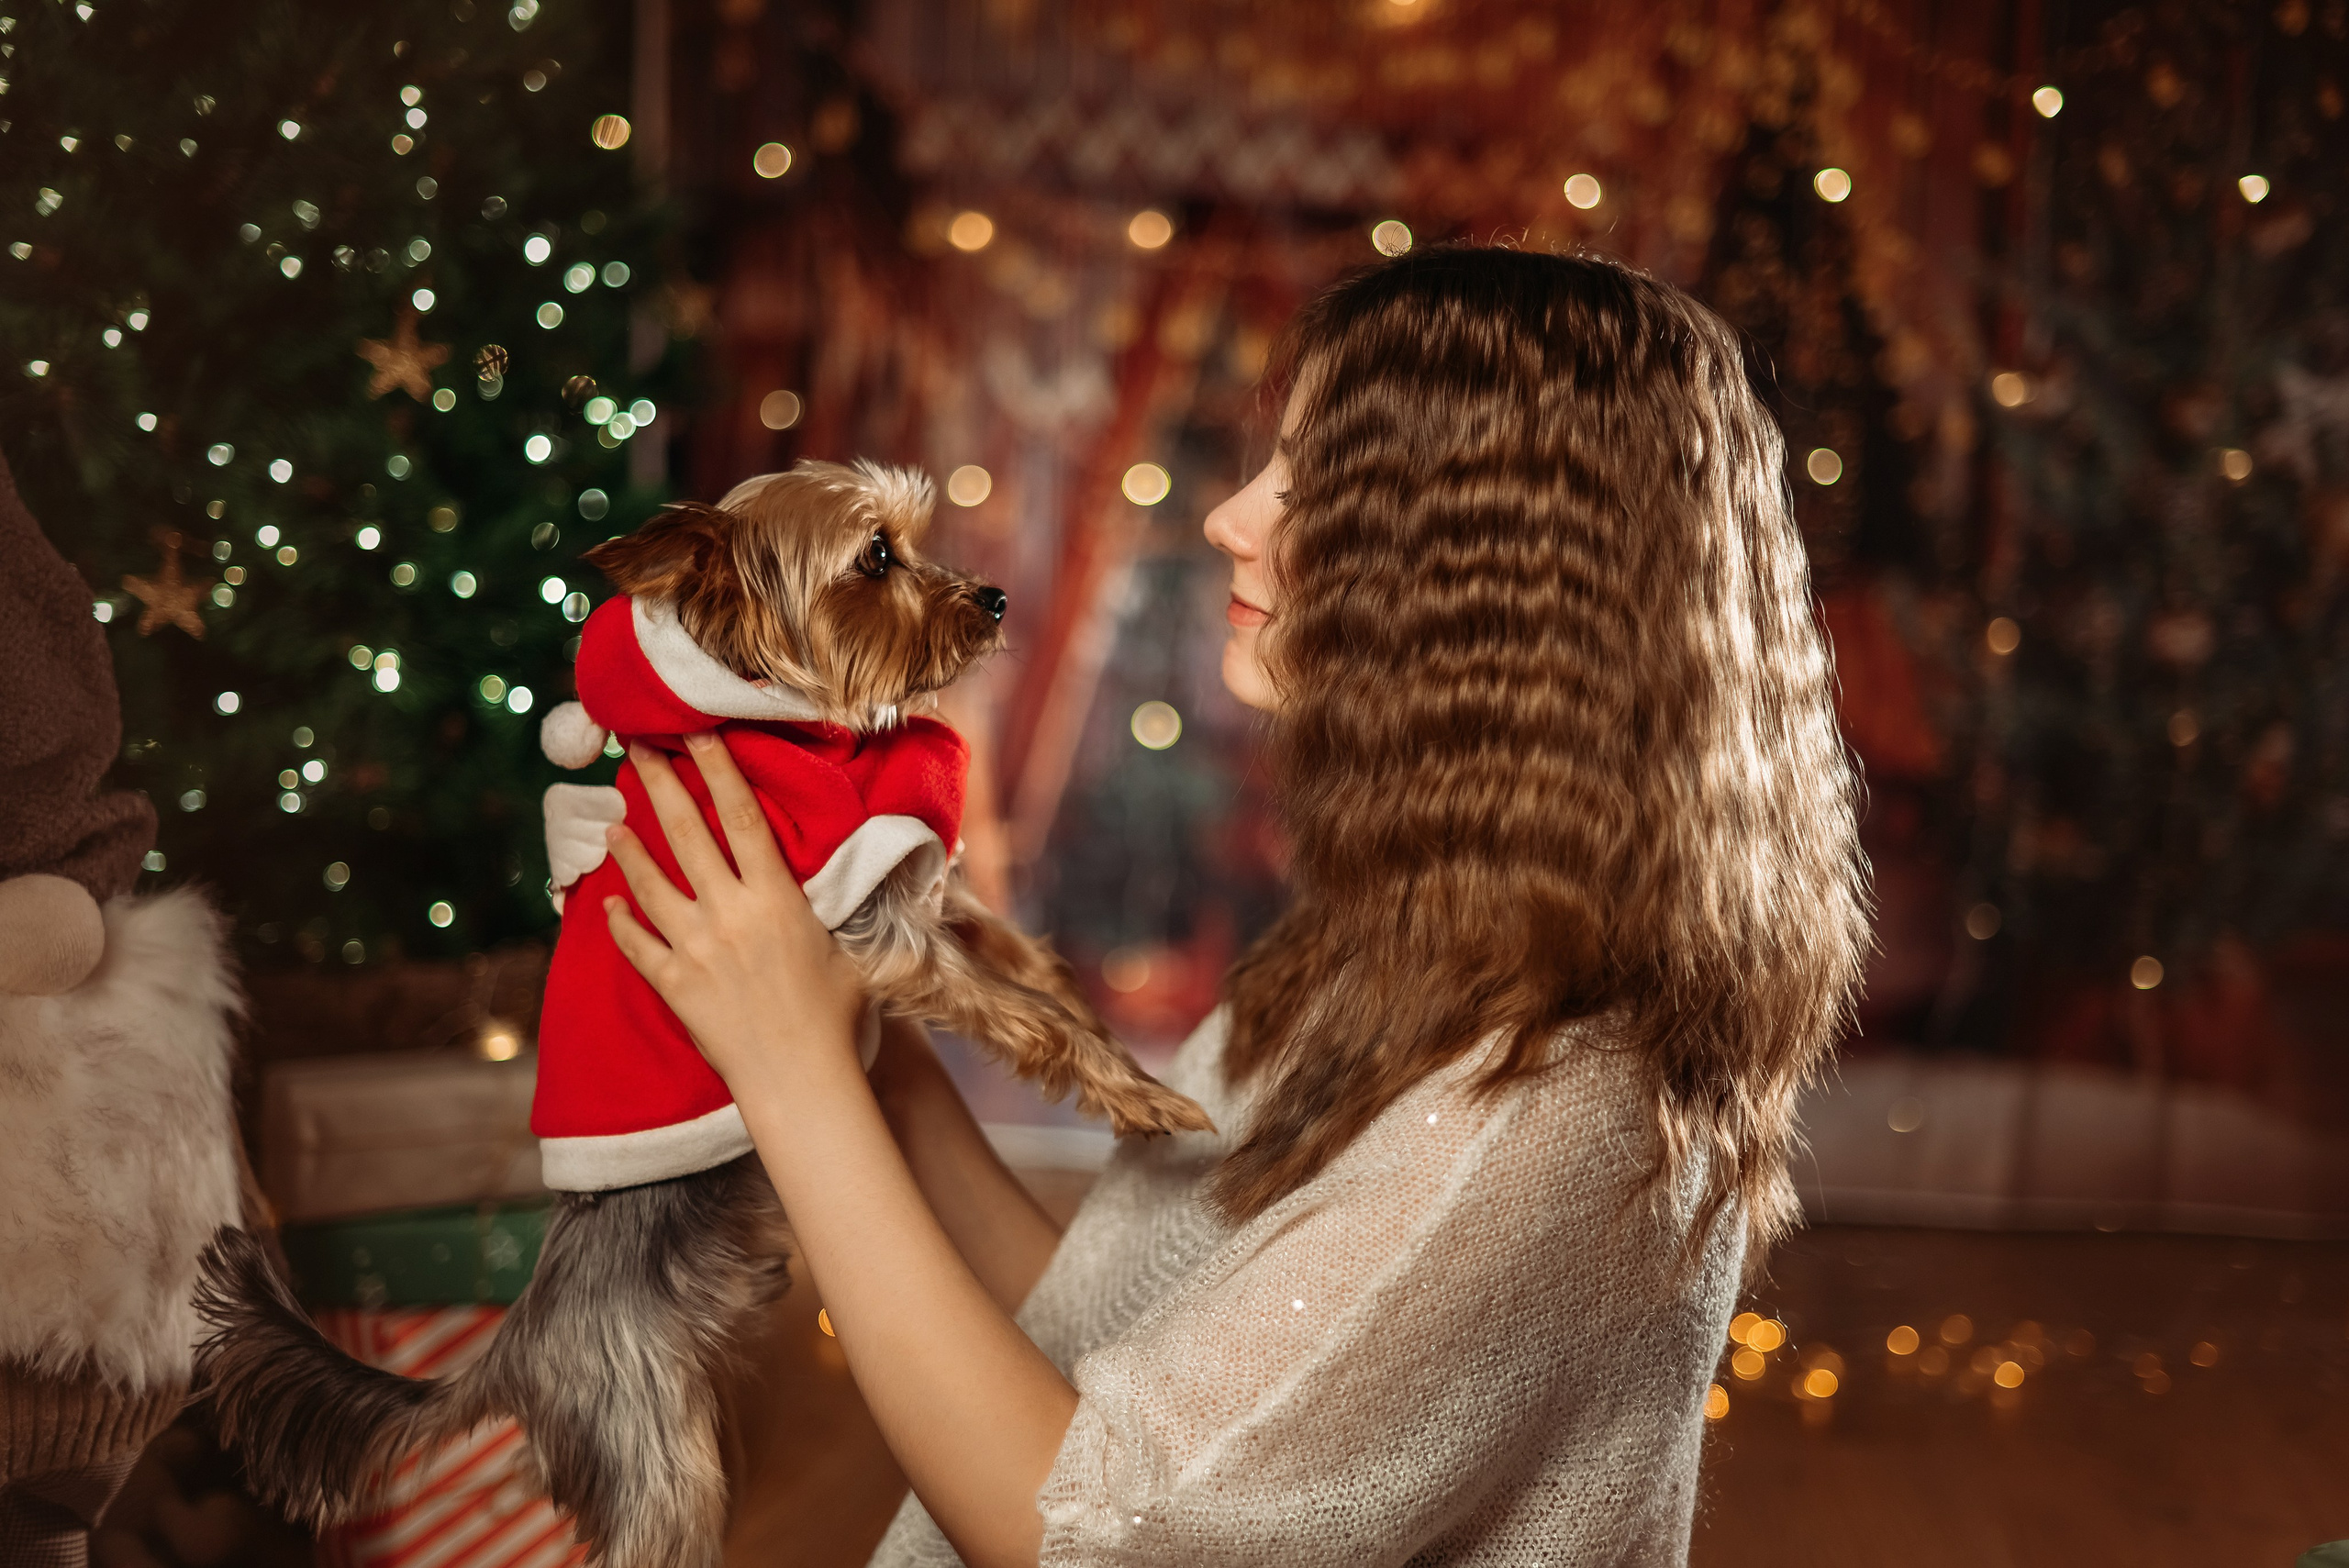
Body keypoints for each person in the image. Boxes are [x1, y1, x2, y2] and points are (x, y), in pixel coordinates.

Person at [594, 246, 1868, 1567]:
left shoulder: (1534, 1122)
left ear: (1490, 578)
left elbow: (1084, 1531)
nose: (1231, 515)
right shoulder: (1381, 957)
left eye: (1310, 481)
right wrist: (868, 1048)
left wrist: (790, 1071)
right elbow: (1111, 1339)